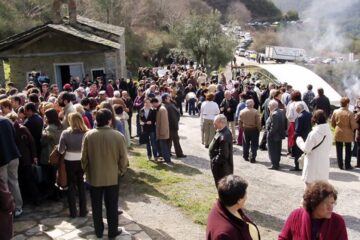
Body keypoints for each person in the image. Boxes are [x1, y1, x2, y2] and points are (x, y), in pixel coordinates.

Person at [81, 109, 128, 239]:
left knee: (96, 206)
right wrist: (120, 171)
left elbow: (83, 158)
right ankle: (112, 231)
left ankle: (99, 231)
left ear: (96, 120)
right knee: (112, 205)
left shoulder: (89, 135)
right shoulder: (118, 136)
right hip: (113, 177)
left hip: (94, 176)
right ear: (109, 120)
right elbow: (124, 158)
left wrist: (86, 171)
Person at [279, 181, 348, 240]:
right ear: (314, 203)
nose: (331, 208)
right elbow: (283, 238)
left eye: (332, 203)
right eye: (326, 204)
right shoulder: (296, 215)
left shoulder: (338, 222)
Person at [206, 175, 260, 240]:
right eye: (245, 194)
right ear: (239, 200)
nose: (246, 197)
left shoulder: (225, 207)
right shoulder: (224, 235)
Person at [59, 113, 88, 218]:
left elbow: (61, 150)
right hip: (82, 160)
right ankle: (83, 211)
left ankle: (73, 212)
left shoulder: (65, 133)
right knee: (81, 185)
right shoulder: (87, 133)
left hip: (70, 161)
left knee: (71, 185)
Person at [296, 110, 332, 186]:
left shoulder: (313, 133)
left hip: (312, 164)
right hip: (324, 164)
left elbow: (306, 149)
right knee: (320, 191)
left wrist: (299, 141)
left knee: (309, 191)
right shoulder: (329, 133)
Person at [0, 116, 23, 217]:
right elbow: (14, 135)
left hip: (2, 159)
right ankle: (18, 207)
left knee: (4, 185)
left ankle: (8, 208)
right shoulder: (6, 120)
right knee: (14, 182)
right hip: (13, 155)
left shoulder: (5, 120)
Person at [331, 97, 358, 170]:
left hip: (338, 131)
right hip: (348, 132)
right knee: (348, 149)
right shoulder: (350, 113)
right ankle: (347, 165)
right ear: (347, 104)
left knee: (338, 149)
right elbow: (353, 125)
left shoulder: (335, 111)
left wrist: (337, 127)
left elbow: (332, 123)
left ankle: (340, 165)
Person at [209, 114, 233, 187]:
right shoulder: (221, 131)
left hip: (221, 167)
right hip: (219, 165)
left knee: (221, 185)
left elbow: (223, 154)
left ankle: (222, 197)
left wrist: (214, 161)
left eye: (215, 122)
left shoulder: (224, 136)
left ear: (221, 123)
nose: (213, 123)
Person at [162, 93, 186, 158]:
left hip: (170, 126)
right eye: (168, 97)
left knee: (169, 140)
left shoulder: (167, 105)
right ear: (165, 99)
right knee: (176, 140)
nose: (170, 98)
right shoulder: (168, 106)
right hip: (172, 126)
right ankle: (179, 154)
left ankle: (168, 153)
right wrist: (175, 124)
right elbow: (174, 116)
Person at [291, 102, 312, 171]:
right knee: (306, 152)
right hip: (308, 136)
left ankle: (298, 166)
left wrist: (294, 137)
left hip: (300, 137)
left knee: (298, 152)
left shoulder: (299, 117)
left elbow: (297, 130)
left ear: (298, 108)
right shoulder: (309, 114)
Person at [151, 97, 172, 164]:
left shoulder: (162, 109)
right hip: (161, 132)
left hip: (162, 132)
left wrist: (162, 132)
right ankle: (165, 158)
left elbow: (164, 122)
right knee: (163, 146)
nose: (152, 105)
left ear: (155, 103)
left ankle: (167, 159)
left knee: (164, 146)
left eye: (152, 104)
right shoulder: (160, 108)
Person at [267, 100, 286, 170]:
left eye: (269, 106)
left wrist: (269, 133)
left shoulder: (274, 114)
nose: (268, 107)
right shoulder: (281, 111)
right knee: (277, 150)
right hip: (279, 135)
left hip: (274, 135)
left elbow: (274, 127)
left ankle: (274, 164)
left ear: (272, 106)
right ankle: (277, 163)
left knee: (273, 150)